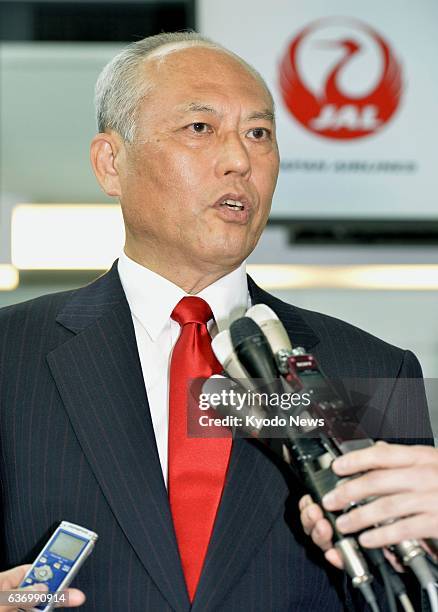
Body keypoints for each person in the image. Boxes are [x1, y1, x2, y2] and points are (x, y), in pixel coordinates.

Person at [0, 31, 436, 611]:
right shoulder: (11, 356)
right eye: (200, 129)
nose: (240, 160)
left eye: (259, 134)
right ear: (111, 163)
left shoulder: (376, 370)